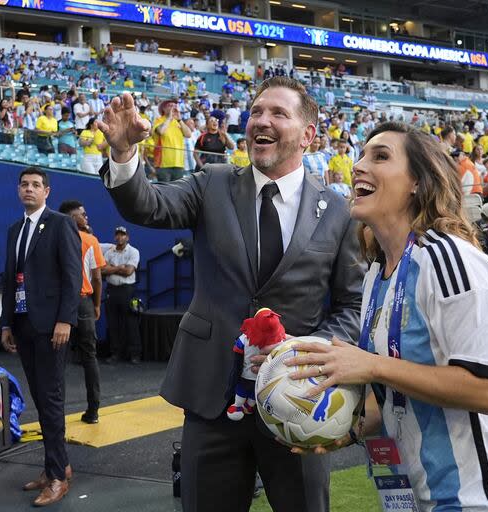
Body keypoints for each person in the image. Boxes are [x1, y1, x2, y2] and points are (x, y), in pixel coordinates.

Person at [95, 77, 362, 512]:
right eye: (257, 111)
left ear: (309, 135)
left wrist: (300, 356)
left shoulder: (337, 212)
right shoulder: (212, 183)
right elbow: (148, 205)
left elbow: (351, 305)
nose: (262, 120)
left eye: (278, 113)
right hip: (211, 397)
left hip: (298, 403)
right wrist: (125, 154)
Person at [282, 122, 488, 511]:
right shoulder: (376, 273)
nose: (358, 166)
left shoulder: (449, 258)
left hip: (482, 502)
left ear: (418, 183)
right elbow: (389, 397)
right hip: (420, 500)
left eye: (381, 156)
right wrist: (342, 429)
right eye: (361, 155)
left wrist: (373, 366)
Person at [0, 167, 81, 506]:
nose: (29, 189)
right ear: (18, 190)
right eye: (24, 184)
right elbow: (10, 280)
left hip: (52, 327)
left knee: (50, 401)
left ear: (47, 191)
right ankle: (55, 467)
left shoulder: (61, 224)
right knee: (41, 398)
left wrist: (65, 319)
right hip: (23, 325)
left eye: (36, 185)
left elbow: (72, 275)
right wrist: (6, 324)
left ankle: (59, 478)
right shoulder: (14, 229)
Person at [58, 200, 106, 423]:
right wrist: (96, 305)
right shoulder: (90, 240)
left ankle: (55, 413)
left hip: (60, 304)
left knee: (58, 358)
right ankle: (93, 411)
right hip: (84, 302)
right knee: (89, 357)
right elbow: (97, 278)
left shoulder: (55, 238)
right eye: (82, 214)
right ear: (71, 218)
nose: (86, 217)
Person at [102, 226, 142, 365]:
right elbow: (102, 270)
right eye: (117, 235)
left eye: (123, 235)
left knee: (131, 323)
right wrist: (120, 267)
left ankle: (134, 354)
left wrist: (112, 268)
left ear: (127, 237)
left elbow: (129, 272)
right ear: (115, 237)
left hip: (127, 290)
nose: (120, 237)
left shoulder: (133, 251)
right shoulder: (109, 252)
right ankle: (115, 353)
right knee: (112, 323)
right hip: (111, 290)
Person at [152, 101, 192, 182]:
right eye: (170, 106)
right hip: (163, 164)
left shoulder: (178, 122)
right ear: (164, 109)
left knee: (177, 192)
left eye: (175, 106)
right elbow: (161, 131)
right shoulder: (159, 120)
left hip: (179, 164)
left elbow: (188, 134)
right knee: (164, 191)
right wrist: (169, 118)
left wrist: (180, 119)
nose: (173, 108)